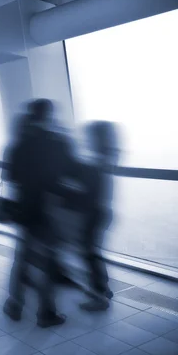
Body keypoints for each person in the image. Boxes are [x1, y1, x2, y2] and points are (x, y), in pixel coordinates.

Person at [3, 99, 77, 328]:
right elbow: (72, 171)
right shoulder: (57, 142)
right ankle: (46, 313)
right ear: (50, 115)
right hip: (51, 209)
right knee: (47, 261)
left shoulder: (18, 143)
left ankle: (14, 304)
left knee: (22, 258)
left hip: (25, 208)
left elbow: (10, 176)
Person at [75, 121, 119, 311]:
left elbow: (88, 191)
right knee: (93, 253)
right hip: (102, 212)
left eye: (89, 136)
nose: (86, 139)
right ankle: (103, 289)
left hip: (94, 213)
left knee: (89, 254)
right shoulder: (107, 156)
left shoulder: (96, 162)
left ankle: (99, 296)